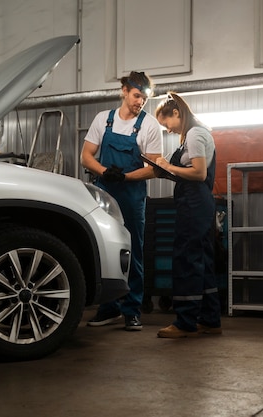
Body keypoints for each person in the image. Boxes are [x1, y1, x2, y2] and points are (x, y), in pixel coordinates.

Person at [81, 71, 163, 331]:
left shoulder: (149, 125)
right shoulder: (102, 119)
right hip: (104, 193)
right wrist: (105, 172)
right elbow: (86, 156)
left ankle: (132, 310)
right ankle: (108, 308)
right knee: (105, 248)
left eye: (145, 98)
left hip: (132, 195)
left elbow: (154, 167)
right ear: (125, 91)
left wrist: (125, 177)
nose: (140, 102)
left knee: (134, 251)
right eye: (137, 95)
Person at [153, 92, 222, 338]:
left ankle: (185, 321)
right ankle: (210, 319)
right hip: (197, 203)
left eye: (166, 124)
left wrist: (168, 166)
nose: (168, 130)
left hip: (194, 203)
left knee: (187, 259)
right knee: (201, 260)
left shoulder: (195, 134)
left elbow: (199, 173)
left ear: (176, 113)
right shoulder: (194, 135)